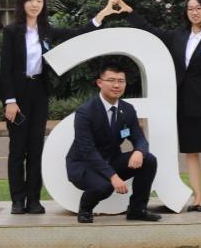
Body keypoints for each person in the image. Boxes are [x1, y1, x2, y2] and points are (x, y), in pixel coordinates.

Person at [0, 0, 126, 215]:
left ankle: (34, 200)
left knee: (35, 149)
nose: (35, 4)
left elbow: (78, 34)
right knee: (17, 150)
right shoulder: (12, 31)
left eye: (39, 0)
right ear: (22, 3)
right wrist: (10, 100)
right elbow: (5, 69)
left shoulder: (46, 31)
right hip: (17, 95)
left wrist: (103, 14)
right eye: (30, 0)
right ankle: (18, 200)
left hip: (39, 91)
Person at [128, 0, 201, 211]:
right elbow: (151, 31)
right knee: (190, 151)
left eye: (199, 8)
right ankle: (197, 196)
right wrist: (130, 13)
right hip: (183, 103)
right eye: (190, 8)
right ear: (186, 12)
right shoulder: (178, 36)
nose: (194, 12)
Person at [66, 62, 161, 223]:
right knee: (105, 186)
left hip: (111, 160)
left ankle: (137, 210)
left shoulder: (127, 109)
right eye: (111, 80)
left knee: (149, 160)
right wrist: (113, 176)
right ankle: (85, 208)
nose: (116, 85)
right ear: (100, 82)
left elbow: (139, 137)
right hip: (84, 164)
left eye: (121, 81)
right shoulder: (85, 112)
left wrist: (139, 151)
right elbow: (88, 150)